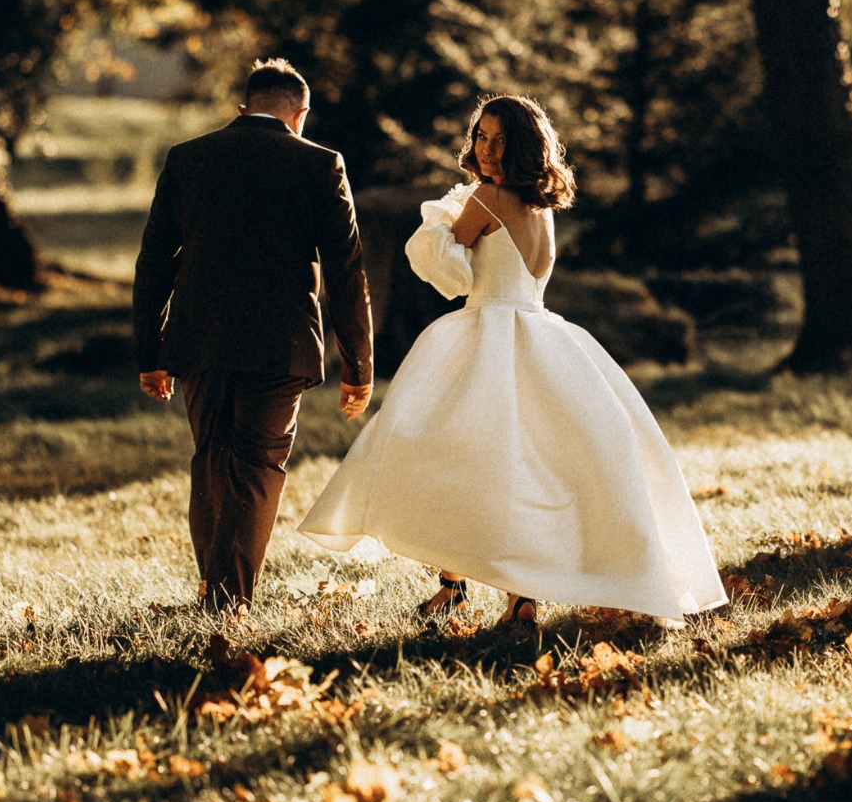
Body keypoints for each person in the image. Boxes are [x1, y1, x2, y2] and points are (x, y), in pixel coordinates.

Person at [299, 95, 727, 626]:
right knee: (517, 464)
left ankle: (469, 586)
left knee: (447, 451)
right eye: (482, 137)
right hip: (543, 335)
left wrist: (439, 221)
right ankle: (499, 592)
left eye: (502, 140)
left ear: (525, 146)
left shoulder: (486, 199)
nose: (489, 149)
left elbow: (446, 272)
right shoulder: (539, 206)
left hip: (488, 333)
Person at [133, 58, 373, 616]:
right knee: (257, 465)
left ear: (243, 107)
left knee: (213, 459)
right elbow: (346, 271)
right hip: (280, 341)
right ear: (300, 115)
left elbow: (154, 263)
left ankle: (217, 592)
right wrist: (357, 366)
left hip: (199, 339)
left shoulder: (188, 159)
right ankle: (225, 603)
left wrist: (151, 351)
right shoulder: (321, 164)